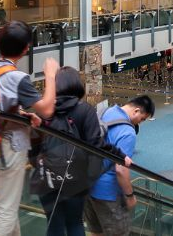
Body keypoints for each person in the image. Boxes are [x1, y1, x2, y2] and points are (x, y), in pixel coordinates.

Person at [35, 67, 134, 236]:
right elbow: (96, 143)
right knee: (74, 223)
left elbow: (35, 143)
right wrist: (120, 155)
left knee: (54, 224)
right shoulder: (84, 110)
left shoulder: (46, 110)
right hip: (73, 177)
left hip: (47, 177)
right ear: (76, 84)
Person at [0, 21, 57, 236]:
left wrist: (21, 115)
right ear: (26, 48)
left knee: (5, 204)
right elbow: (47, 110)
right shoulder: (16, 77)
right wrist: (51, 76)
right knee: (5, 211)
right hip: (9, 148)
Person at [84, 95, 155, 236]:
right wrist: (130, 196)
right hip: (107, 193)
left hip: (87, 185)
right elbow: (121, 170)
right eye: (142, 119)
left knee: (96, 232)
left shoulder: (105, 112)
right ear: (136, 111)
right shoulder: (127, 132)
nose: (139, 124)